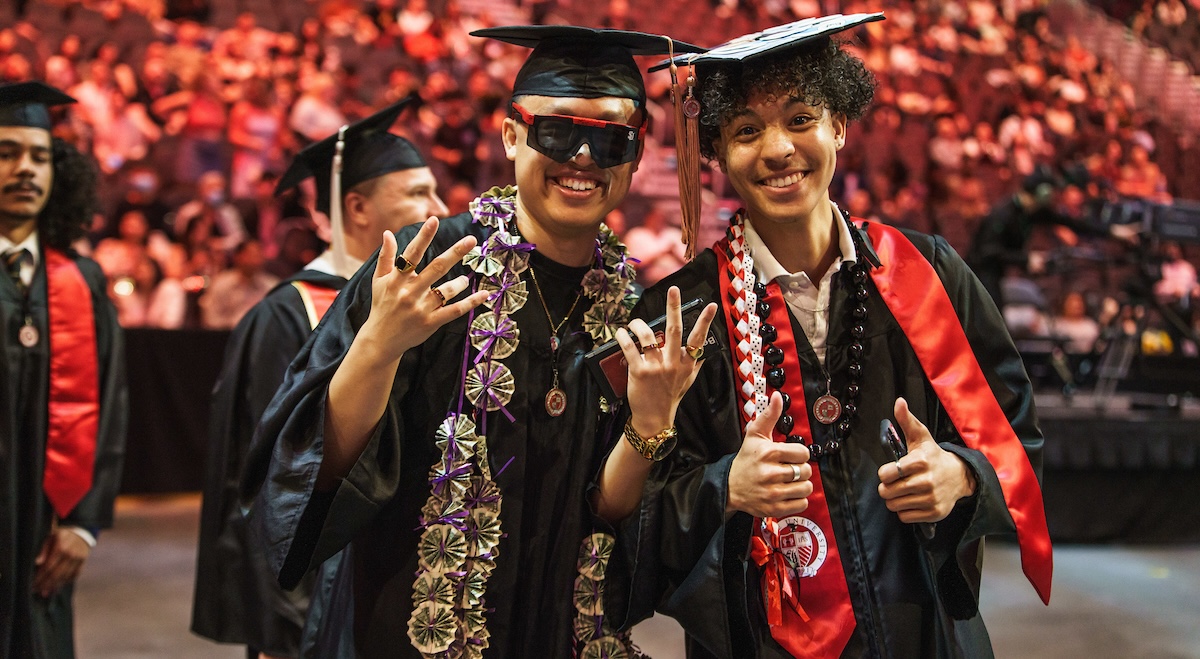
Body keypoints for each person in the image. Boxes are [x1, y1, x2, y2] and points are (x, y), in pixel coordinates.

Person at [595, 15, 1053, 657]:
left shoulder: (929, 273)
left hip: (923, 637)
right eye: (747, 131)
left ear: (838, 126)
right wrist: (723, 489)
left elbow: (1016, 435)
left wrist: (963, 473)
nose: (778, 149)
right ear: (718, 154)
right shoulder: (683, 313)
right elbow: (629, 525)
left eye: (800, 119)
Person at [249, 26, 704, 658]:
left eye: (611, 140)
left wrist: (649, 427)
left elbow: (613, 516)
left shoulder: (633, 314)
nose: (582, 157)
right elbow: (317, 473)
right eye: (556, 131)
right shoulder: (426, 268)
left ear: (636, 153)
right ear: (511, 132)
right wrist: (376, 348)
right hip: (409, 633)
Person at [191, 96, 447, 659]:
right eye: (416, 194)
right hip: (313, 611)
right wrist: (283, 627)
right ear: (356, 206)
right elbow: (269, 482)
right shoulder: (286, 314)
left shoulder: (424, 303)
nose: (439, 207)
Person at [0, 81, 127, 659]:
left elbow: (110, 407)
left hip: (44, 531)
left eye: (40, 155)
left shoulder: (81, 281)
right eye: (6, 153)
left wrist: (83, 524)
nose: (26, 169)